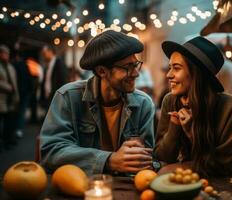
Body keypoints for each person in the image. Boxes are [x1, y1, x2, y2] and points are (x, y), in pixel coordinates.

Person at [40, 30, 155, 175]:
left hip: (126, 188)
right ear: (102, 71)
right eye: (128, 67)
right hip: (80, 187)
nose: (136, 73)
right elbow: (51, 152)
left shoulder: (143, 104)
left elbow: (147, 159)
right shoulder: (68, 97)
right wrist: (109, 160)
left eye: (136, 64)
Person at [154, 36, 232, 177]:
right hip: (182, 177)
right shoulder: (170, 101)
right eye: (169, 68)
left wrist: (192, 133)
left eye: (176, 68)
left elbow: (224, 167)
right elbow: (162, 156)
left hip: (218, 183)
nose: (168, 75)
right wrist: (175, 126)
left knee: (163, 172)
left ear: (196, 73)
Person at [0, 45, 19, 149]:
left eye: (7, 53)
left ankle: (8, 140)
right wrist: (8, 87)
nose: (6, 55)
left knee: (9, 121)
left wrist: (17, 95)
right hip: (1, 97)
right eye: (4, 53)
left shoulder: (10, 67)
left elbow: (15, 83)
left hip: (10, 98)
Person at [40, 45, 68, 110]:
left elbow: (64, 80)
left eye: (44, 53)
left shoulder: (59, 62)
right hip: (48, 96)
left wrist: (60, 96)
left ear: (50, 52)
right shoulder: (48, 64)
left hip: (56, 96)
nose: (43, 56)